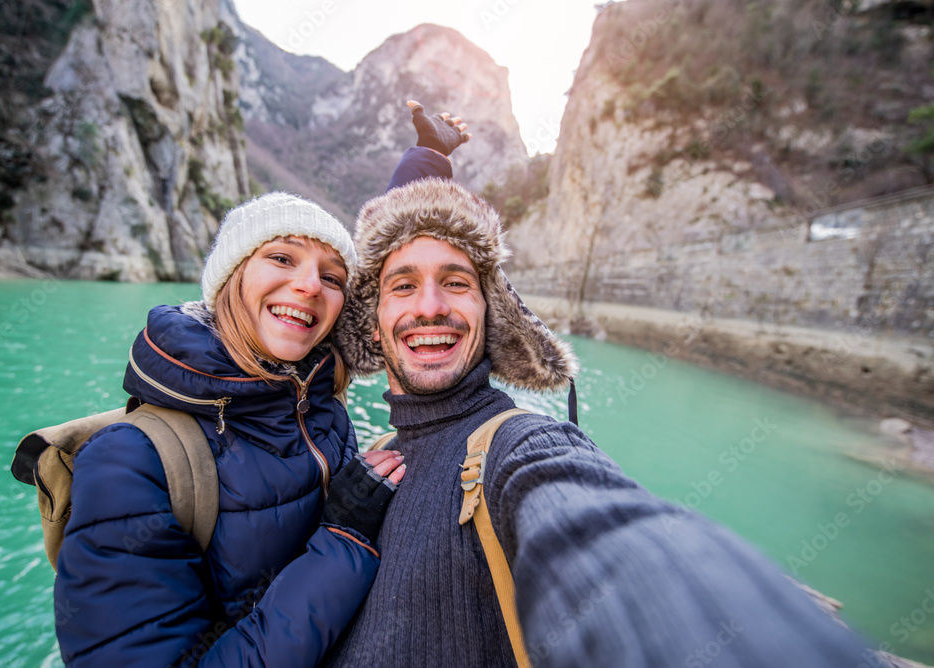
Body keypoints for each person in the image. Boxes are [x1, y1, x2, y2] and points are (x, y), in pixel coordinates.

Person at [324, 130, 873, 666]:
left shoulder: (518, 444)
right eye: (402, 285)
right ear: (373, 325)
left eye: (457, 282)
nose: (429, 307)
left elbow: (594, 523)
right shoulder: (374, 457)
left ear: (489, 316)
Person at [53, 191, 411, 666]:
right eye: (282, 257)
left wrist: (426, 160)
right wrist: (343, 541)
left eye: (331, 277)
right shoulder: (132, 461)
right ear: (231, 274)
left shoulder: (318, 403)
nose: (309, 286)